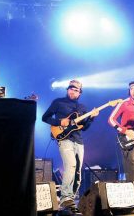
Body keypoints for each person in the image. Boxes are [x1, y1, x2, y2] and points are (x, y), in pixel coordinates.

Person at [42, 79, 99, 211]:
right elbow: (45, 118)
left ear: (79, 93)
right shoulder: (58, 102)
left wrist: (92, 117)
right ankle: (65, 198)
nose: (73, 91)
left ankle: (70, 200)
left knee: (78, 171)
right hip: (64, 138)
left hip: (78, 140)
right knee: (71, 165)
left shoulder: (82, 108)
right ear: (68, 89)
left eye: (76, 90)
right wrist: (59, 122)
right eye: (71, 88)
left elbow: (84, 128)